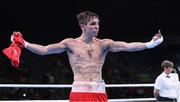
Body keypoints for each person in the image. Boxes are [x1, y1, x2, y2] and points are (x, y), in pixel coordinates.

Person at [10, 11, 163, 101]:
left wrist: (150, 44)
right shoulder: (70, 44)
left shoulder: (104, 44)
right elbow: (44, 50)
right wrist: (24, 43)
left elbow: (128, 46)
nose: (97, 27)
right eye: (92, 24)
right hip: (79, 91)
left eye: (97, 24)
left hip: (99, 90)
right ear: (83, 26)